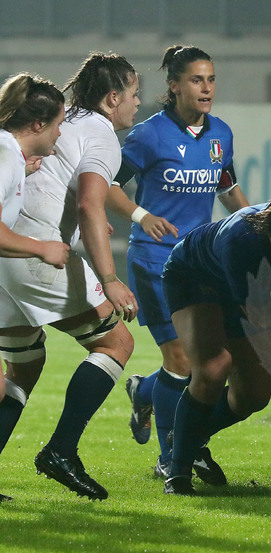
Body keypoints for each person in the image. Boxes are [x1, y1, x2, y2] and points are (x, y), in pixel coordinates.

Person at [0, 53, 140, 500]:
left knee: (24, 366)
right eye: (134, 94)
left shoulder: (62, 123)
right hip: (32, 251)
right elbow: (89, 204)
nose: (138, 104)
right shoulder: (100, 133)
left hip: (6, 259)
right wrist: (110, 277)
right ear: (113, 97)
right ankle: (61, 450)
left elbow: (71, 197)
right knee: (116, 342)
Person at [107, 45, 249, 485]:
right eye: (195, 80)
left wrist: (252, 224)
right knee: (184, 359)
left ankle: (145, 390)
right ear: (174, 86)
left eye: (210, 80)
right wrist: (141, 216)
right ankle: (173, 457)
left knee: (205, 361)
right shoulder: (149, 136)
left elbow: (228, 189)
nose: (205, 88)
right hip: (154, 260)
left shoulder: (220, 134)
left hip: (200, 264)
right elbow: (107, 187)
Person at [161, 193, 271, 495]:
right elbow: (257, 315)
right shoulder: (240, 241)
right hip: (196, 277)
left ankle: (189, 434)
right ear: (269, 232)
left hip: (248, 296)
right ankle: (178, 474)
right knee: (213, 369)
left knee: (254, 395)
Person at [0, 72, 69, 503]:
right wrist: (41, 248)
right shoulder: (5, 155)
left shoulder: (10, 157)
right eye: (59, 124)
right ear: (39, 125)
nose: (61, 135)